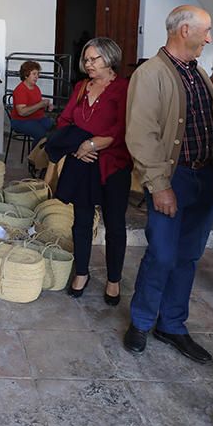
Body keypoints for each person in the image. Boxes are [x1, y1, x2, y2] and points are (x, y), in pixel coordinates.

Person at [124, 6, 213, 363]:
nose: (209, 38)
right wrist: (159, 184)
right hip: (173, 178)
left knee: (188, 257)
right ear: (185, 30)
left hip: (205, 178)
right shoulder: (151, 74)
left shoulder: (198, 73)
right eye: (206, 30)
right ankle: (141, 322)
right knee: (163, 255)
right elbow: (141, 134)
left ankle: (172, 325)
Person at [50, 37, 131, 304]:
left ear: (109, 58)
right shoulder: (81, 86)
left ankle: (113, 280)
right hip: (81, 164)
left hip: (113, 166)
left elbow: (121, 129)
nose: (88, 63)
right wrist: (77, 147)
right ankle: (82, 273)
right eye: (86, 59)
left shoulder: (124, 88)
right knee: (82, 221)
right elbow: (64, 120)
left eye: (93, 58)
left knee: (115, 224)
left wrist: (92, 143)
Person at [10, 60, 55, 142]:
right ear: (26, 75)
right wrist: (40, 105)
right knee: (41, 133)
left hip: (36, 119)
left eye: (38, 74)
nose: (37, 76)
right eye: (34, 74)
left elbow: (36, 106)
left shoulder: (36, 88)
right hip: (21, 121)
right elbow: (22, 112)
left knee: (55, 127)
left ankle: (46, 152)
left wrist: (47, 106)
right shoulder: (20, 90)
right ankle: (35, 155)